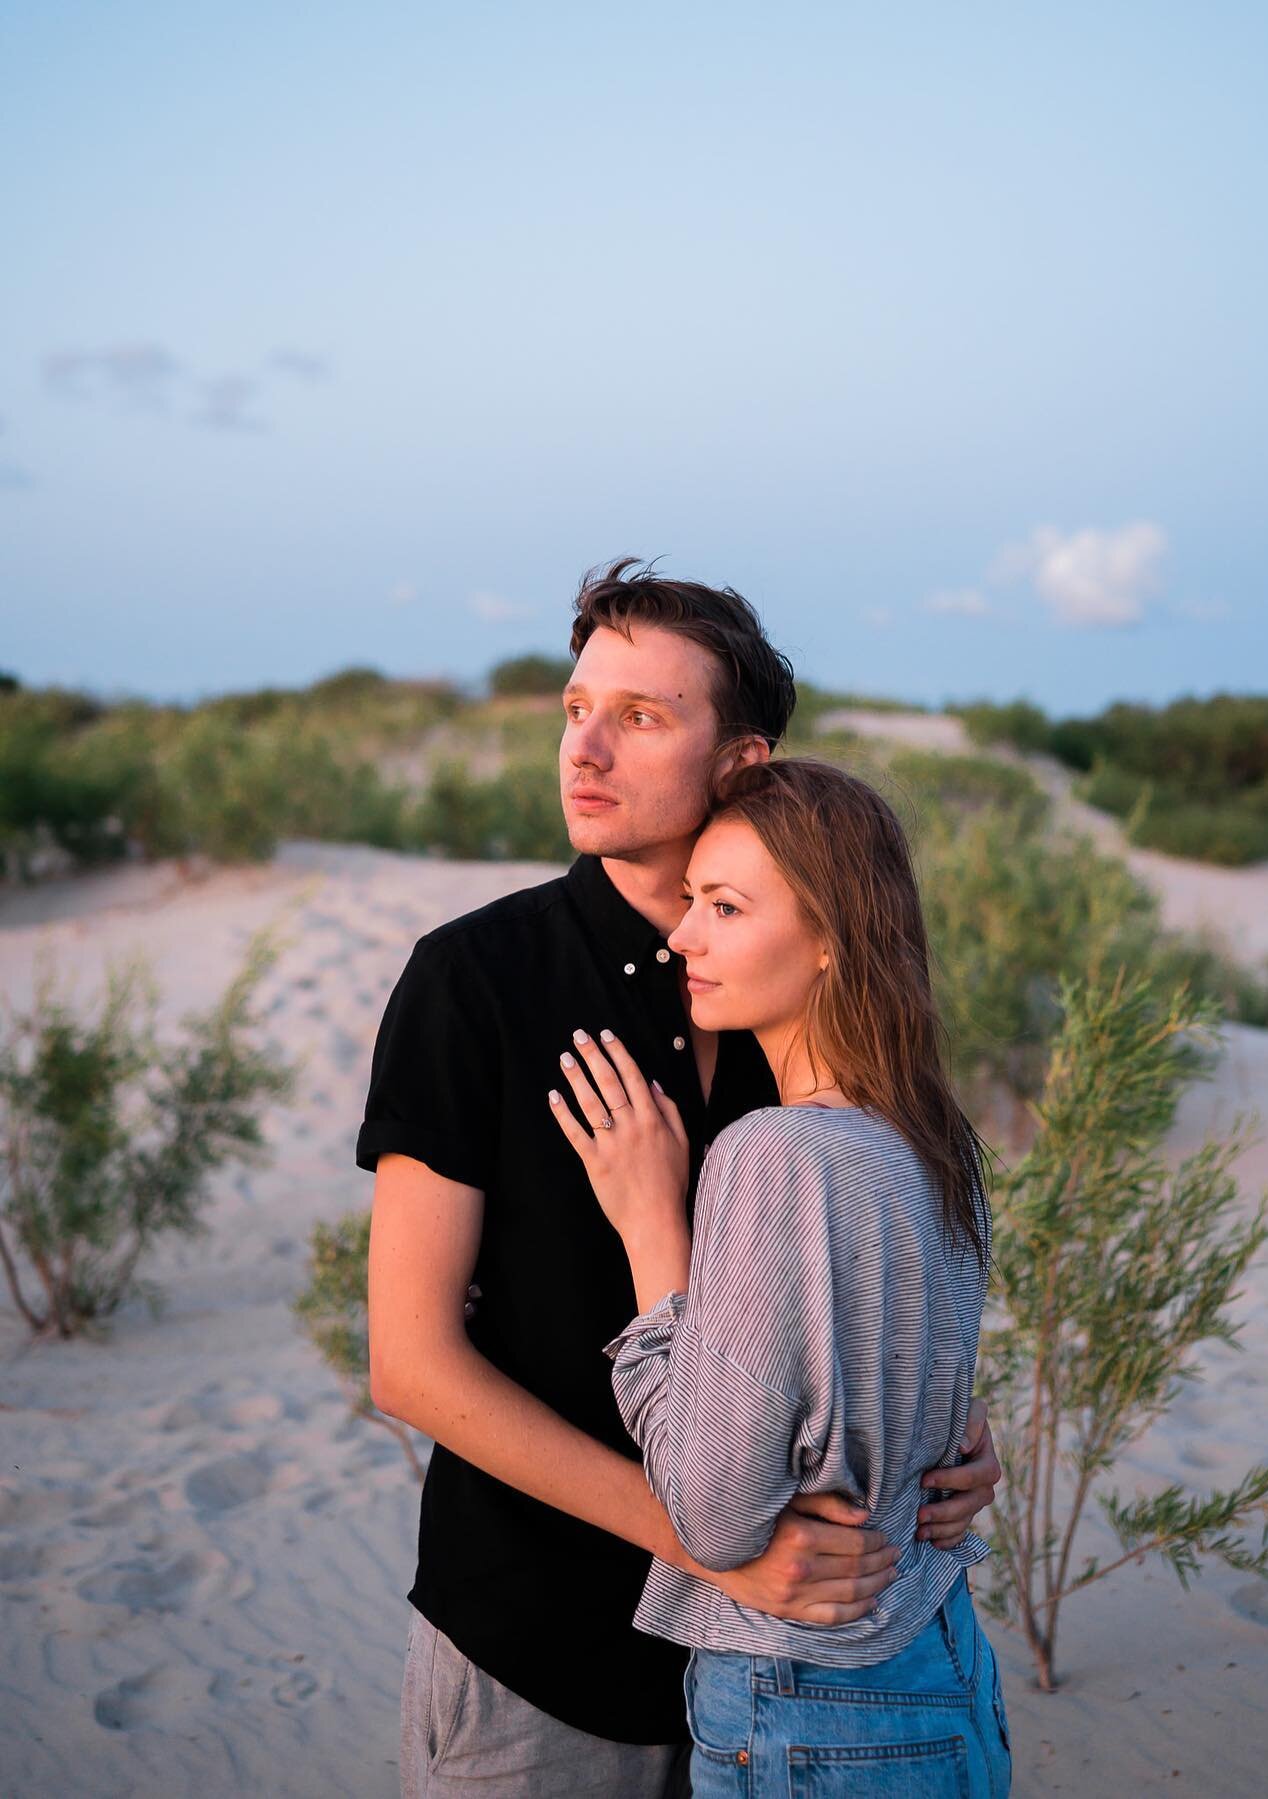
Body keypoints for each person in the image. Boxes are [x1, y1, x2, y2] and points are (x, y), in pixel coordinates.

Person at [357, 559, 1004, 1796]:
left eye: (641, 715)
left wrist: (955, 1444)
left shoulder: (793, 1001)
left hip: (793, 1676)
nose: (584, 748)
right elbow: (411, 1360)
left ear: (744, 762)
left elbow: (849, 1299)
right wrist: (716, 1551)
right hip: (537, 1655)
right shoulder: (475, 981)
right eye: (575, 706)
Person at [548, 755, 1012, 1796]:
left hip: (813, 1691)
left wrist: (647, 1229)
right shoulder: (934, 1139)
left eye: (724, 906)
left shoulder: (774, 1153)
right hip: (942, 1661)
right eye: (689, 902)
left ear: (829, 942)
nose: (682, 937)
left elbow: (716, 1518)